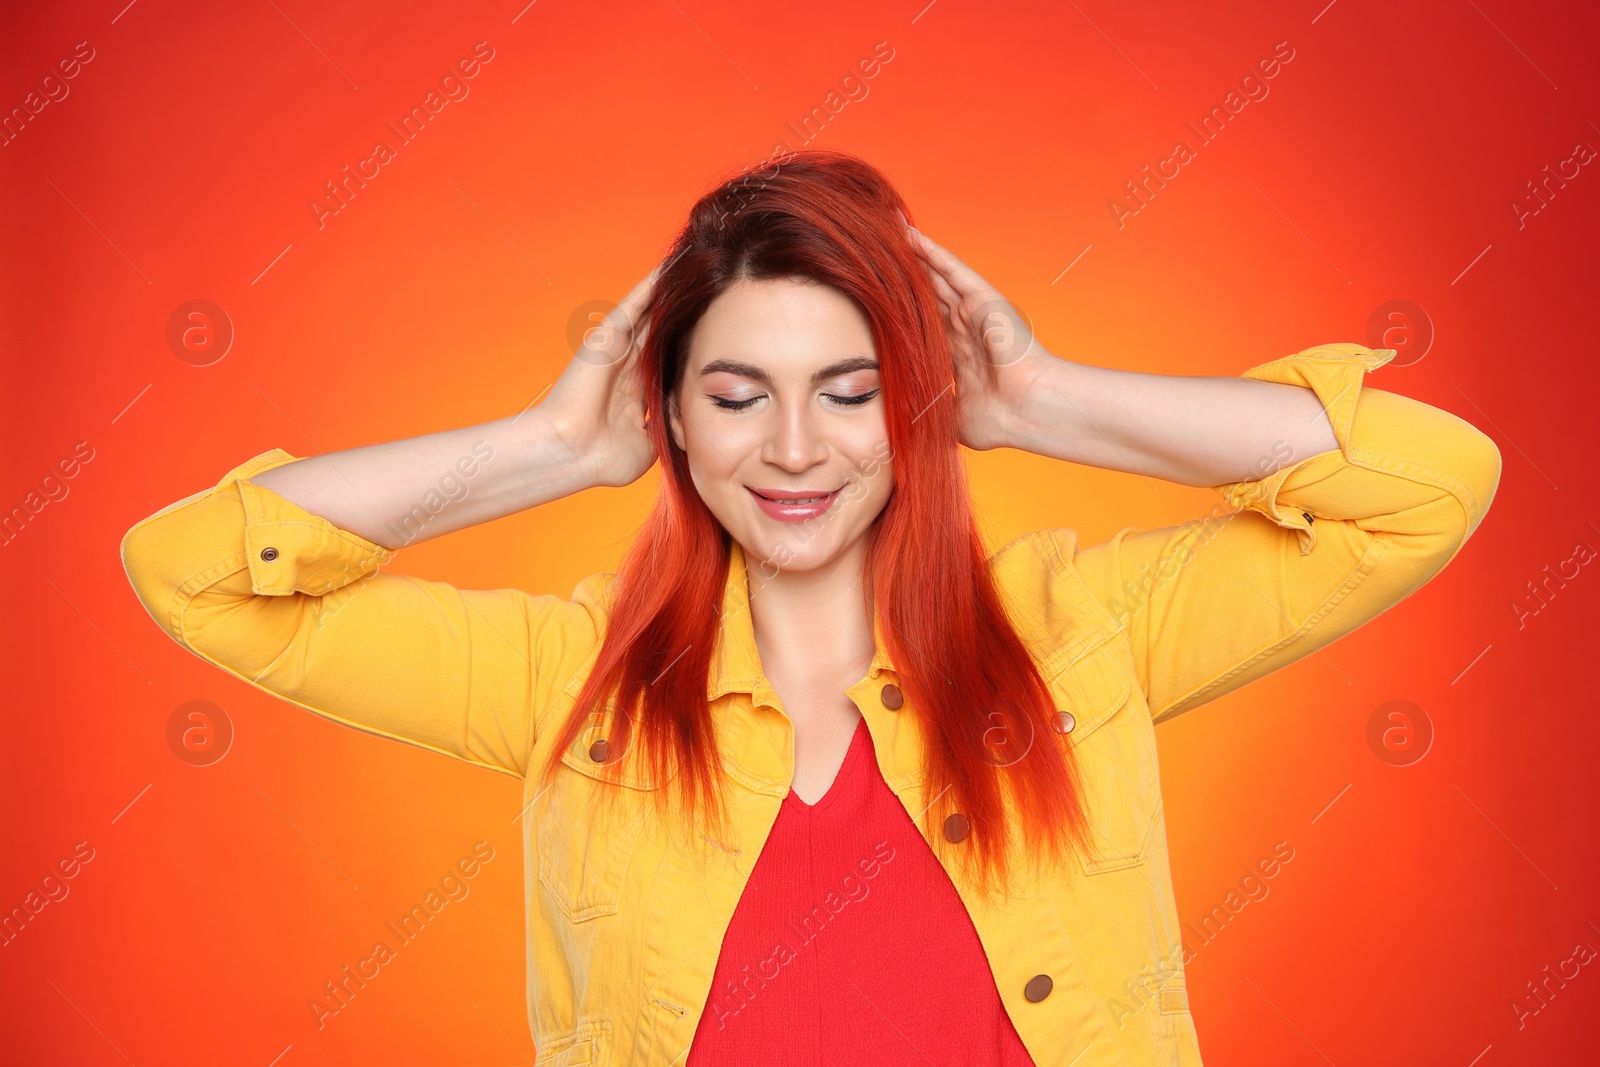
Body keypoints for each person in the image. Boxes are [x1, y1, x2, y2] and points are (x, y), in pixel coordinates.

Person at [120, 149, 1501, 1066]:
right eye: (735, 397)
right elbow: (194, 573)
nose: (794, 451)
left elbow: (1430, 485)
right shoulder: (568, 688)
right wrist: (545, 448)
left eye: (850, 392)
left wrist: (1043, 401)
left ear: (917, 403)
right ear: (666, 414)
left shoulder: (1083, 636)